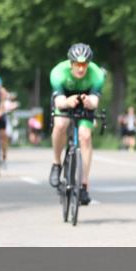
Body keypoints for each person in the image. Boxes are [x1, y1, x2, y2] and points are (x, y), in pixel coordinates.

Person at [48, 43, 105, 206]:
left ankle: (84, 186)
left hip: (85, 101)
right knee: (60, 125)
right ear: (71, 63)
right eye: (77, 65)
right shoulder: (58, 73)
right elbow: (59, 102)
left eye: (84, 65)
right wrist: (67, 101)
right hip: (65, 99)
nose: (81, 69)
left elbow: (95, 101)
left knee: (85, 136)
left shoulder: (97, 75)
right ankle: (56, 163)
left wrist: (88, 102)